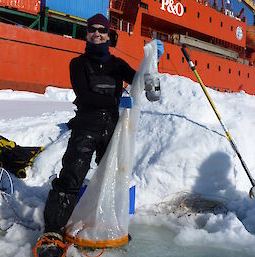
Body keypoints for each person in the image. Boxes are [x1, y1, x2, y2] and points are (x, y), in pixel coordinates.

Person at [35, 13, 164, 257]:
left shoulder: (117, 65)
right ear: (86, 34)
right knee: (71, 177)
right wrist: (117, 99)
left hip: (111, 129)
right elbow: (85, 96)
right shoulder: (78, 64)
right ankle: (53, 231)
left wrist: (152, 64)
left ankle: (108, 225)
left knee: (113, 178)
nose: (97, 33)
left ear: (108, 35)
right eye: (92, 29)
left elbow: (148, 90)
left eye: (102, 30)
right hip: (86, 126)